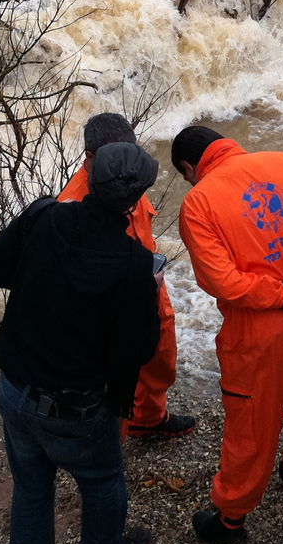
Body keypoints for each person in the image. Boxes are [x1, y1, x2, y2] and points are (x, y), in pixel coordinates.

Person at [0, 142, 162, 544]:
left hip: (16, 388)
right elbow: (140, 349)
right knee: (102, 479)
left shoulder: (44, 216)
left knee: (32, 483)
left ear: (90, 177)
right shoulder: (132, 265)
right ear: (135, 199)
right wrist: (147, 292)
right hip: (77, 407)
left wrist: (43, 278)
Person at [172, 125, 283, 544]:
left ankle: (230, 519)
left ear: (188, 167)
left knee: (251, 421)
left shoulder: (199, 201)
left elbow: (223, 281)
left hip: (260, 327)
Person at [57, 112, 195, 440]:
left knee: (161, 360)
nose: (127, 162)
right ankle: (112, 446)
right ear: (90, 157)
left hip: (149, 287)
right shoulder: (71, 207)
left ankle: (148, 418)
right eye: (117, 154)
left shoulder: (127, 173)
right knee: (117, 379)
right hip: (114, 308)